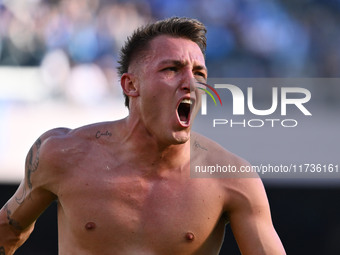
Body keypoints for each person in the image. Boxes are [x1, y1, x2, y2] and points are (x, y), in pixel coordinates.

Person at [0, 17, 285, 255]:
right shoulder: (60, 153)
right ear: (131, 84)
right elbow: (8, 232)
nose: (190, 83)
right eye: (172, 69)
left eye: (199, 73)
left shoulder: (233, 178)